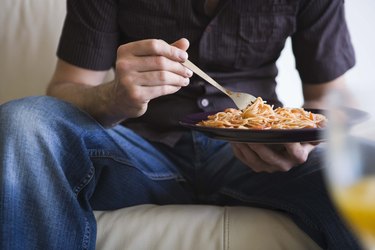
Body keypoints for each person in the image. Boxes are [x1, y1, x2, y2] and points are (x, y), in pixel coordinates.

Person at [0, 0, 362, 249]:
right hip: (135, 153)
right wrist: (113, 97)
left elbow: (330, 97)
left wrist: (304, 138)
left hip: (259, 152)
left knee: (363, 166)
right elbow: (64, 88)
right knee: (23, 121)